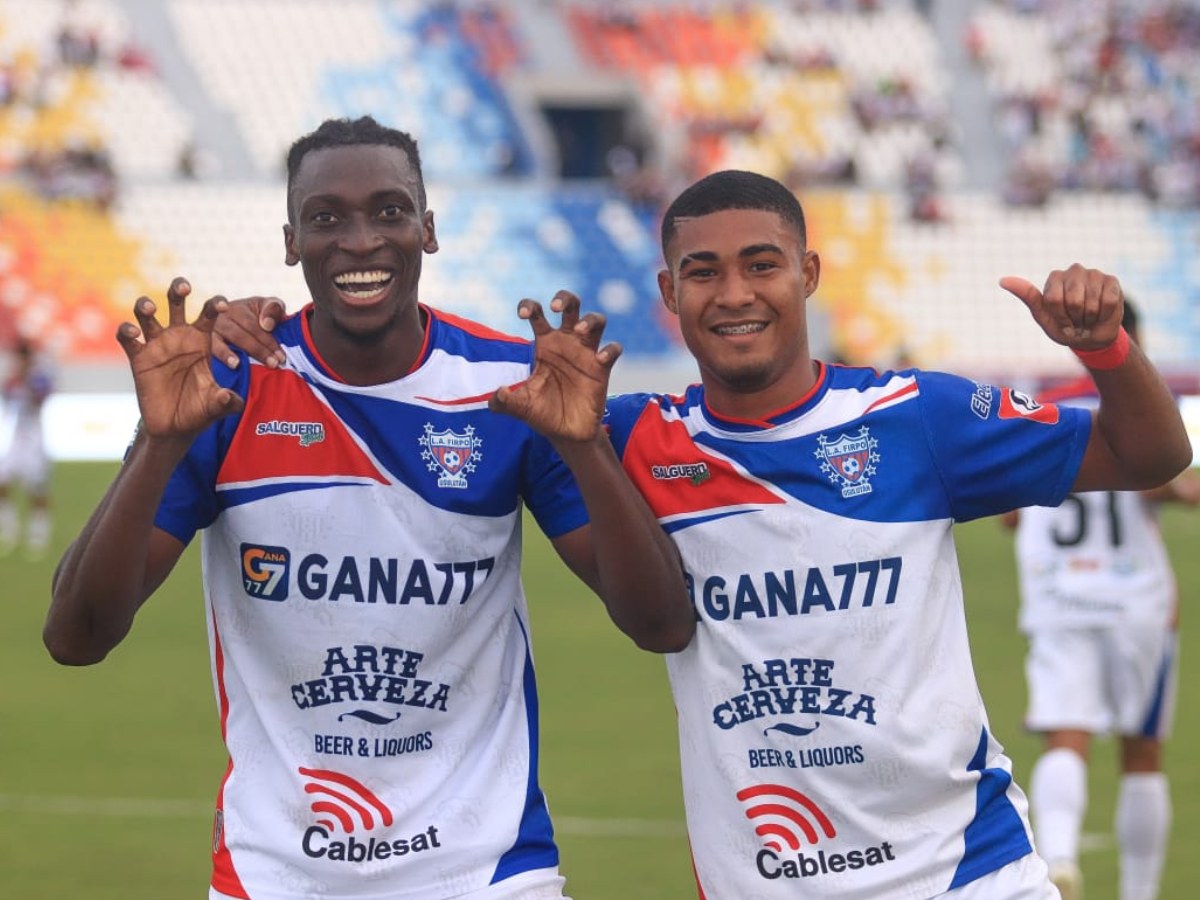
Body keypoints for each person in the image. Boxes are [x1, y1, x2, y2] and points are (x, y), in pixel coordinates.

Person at [213, 168, 1192, 898]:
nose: (734, 294)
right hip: (760, 879)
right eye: (703, 272)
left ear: (808, 272)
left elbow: (1147, 456)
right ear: (668, 294)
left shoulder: (915, 417)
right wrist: (252, 328)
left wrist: (1105, 346)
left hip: (965, 873)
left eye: (762, 265)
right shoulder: (635, 437)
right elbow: (422, 376)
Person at [43, 115, 694, 900]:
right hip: (276, 874)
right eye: (327, 218)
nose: (360, 240)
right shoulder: (229, 390)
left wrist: (587, 448)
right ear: (291, 242)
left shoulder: (509, 387)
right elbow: (76, 637)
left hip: (485, 872)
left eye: (389, 211)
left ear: (428, 230)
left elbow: (660, 624)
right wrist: (158, 441)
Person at [1001, 300, 1199, 900]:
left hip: (1059, 596)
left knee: (1066, 735)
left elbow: (1011, 513)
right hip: (1135, 600)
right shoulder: (1141, 408)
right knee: (1142, 751)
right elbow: (1172, 483)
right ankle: (1139, 893)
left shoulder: (1045, 404)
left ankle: (1059, 861)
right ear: (1130, 339)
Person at [0, 336, 55, 559]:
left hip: (35, 439)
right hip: (17, 437)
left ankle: (38, 532)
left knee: (37, 488)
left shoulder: (38, 377)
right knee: (3, 481)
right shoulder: (12, 379)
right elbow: (7, 397)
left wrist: (26, 381)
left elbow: (41, 398)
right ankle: (9, 527)